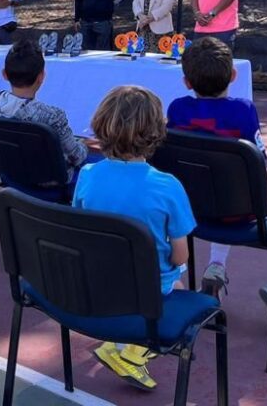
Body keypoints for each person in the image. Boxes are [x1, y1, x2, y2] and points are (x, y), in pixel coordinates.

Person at [166, 36, 267, 331]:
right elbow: (259, 170)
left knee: (219, 188)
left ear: (186, 82)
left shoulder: (177, 109)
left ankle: (216, 267)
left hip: (195, 210)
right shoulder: (243, 110)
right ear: (233, 76)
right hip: (242, 210)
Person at [74, 85, 195, 391]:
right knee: (178, 282)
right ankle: (134, 349)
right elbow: (180, 256)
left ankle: (121, 344)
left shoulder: (87, 175)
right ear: (155, 131)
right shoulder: (168, 186)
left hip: (100, 280)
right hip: (148, 286)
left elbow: (81, 225)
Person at [0, 39, 89, 182]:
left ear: (4, 74)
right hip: (49, 183)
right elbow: (76, 156)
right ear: (41, 76)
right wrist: (84, 145)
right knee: (94, 167)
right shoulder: (52, 117)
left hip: (10, 176)